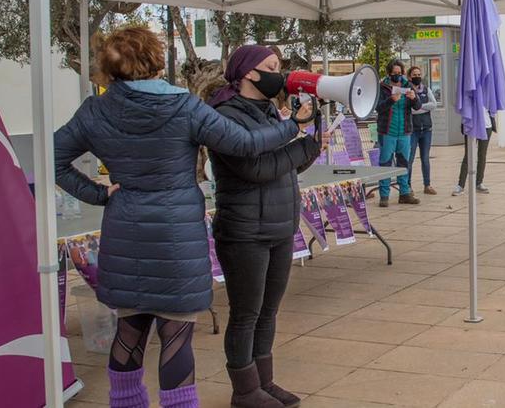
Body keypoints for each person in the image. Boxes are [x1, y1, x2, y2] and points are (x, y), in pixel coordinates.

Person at [53, 27, 304, 408]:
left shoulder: (95, 110)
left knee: (130, 328)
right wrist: (293, 125)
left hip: (125, 229)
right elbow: (246, 144)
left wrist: (100, 194)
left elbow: (52, 158)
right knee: (175, 334)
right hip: (176, 236)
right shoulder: (184, 106)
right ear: (156, 59)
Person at [206, 45, 323, 408]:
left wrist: (311, 145)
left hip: (277, 226)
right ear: (248, 74)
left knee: (268, 312)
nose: (280, 73)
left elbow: (282, 166)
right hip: (244, 231)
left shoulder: (269, 110)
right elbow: (253, 169)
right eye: (271, 66)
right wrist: (298, 141)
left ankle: (263, 382)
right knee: (246, 314)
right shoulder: (224, 116)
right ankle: (244, 391)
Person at [375, 60, 421, 207]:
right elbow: (378, 107)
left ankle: (404, 193)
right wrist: (390, 100)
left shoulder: (408, 85)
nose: (398, 76)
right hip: (387, 132)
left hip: (404, 132)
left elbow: (418, 106)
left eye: (400, 73)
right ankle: (384, 195)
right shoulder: (382, 87)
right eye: (395, 73)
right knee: (385, 163)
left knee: (403, 163)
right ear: (389, 73)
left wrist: (414, 98)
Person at [406, 65, 438, 195]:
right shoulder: (407, 91)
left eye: (419, 74)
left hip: (426, 129)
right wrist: (423, 108)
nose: (417, 77)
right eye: (414, 75)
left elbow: (434, 104)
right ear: (409, 77)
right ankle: (407, 186)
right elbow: (410, 110)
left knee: (425, 158)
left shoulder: (426, 89)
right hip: (412, 130)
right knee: (410, 159)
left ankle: (427, 185)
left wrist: (419, 107)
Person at [454, 112, 497, 195]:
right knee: (468, 155)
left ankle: (479, 183)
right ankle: (460, 185)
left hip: (486, 126)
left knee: (482, 155)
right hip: (471, 125)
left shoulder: (488, 98)